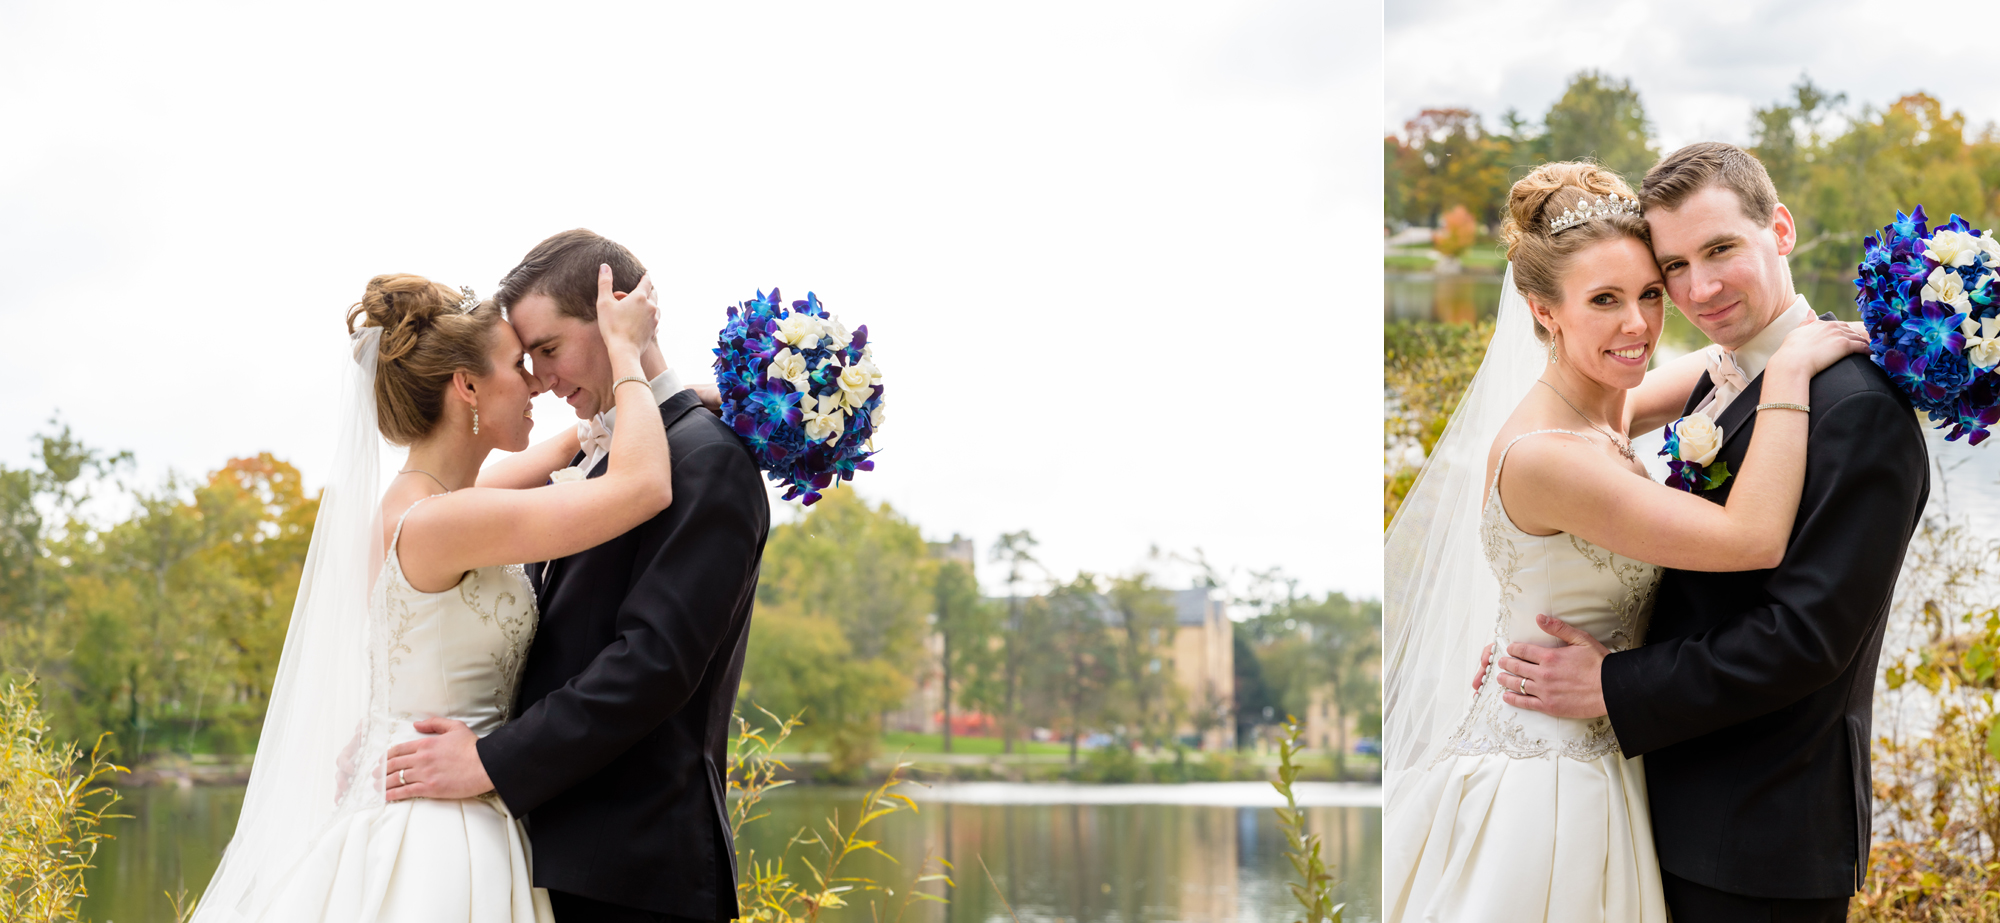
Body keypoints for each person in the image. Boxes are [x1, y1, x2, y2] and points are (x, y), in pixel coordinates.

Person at [1382, 159, 1873, 922]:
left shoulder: (1608, 409)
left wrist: (1810, 338)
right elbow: (1750, 535)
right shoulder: (1550, 455)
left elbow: (1724, 359)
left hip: (1618, 751)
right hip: (1548, 779)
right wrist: (1790, 379)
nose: (1640, 324)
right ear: (1544, 311)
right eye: (1604, 300)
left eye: (1651, 290)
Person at [194, 265, 677, 922]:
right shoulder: (442, 523)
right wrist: (625, 353)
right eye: (518, 363)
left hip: (428, 797)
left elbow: (561, 449)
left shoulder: (423, 505)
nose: (537, 379)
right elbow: (643, 486)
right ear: (467, 385)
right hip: (438, 834)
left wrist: (676, 393)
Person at [380, 229, 773, 923]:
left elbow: (653, 661)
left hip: (634, 871)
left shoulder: (705, 459)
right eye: (526, 359)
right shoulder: (603, 461)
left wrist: (492, 760)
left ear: (617, 315)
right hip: (545, 858)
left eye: (550, 350)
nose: (542, 379)